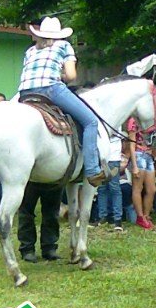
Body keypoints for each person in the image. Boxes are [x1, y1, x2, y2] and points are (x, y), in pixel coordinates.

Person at [17, 17, 106, 187]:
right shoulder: (64, 46)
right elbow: (71, 76)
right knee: (91, 121)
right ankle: (93, 170)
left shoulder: (30, 50)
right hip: (50, 89)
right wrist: (62, 76)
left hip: (25, 92)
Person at [17, 182, 64, 262]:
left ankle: (49, 247)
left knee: (52, 212)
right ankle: (27, 249)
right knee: (26, 211)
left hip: (53, 178)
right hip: (30, 178)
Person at [96, 134, 124, 232]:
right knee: (102, 188)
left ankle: (117, 219)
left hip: (113, 157)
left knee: (114, 188)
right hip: (101, 157)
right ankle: (102, 217)